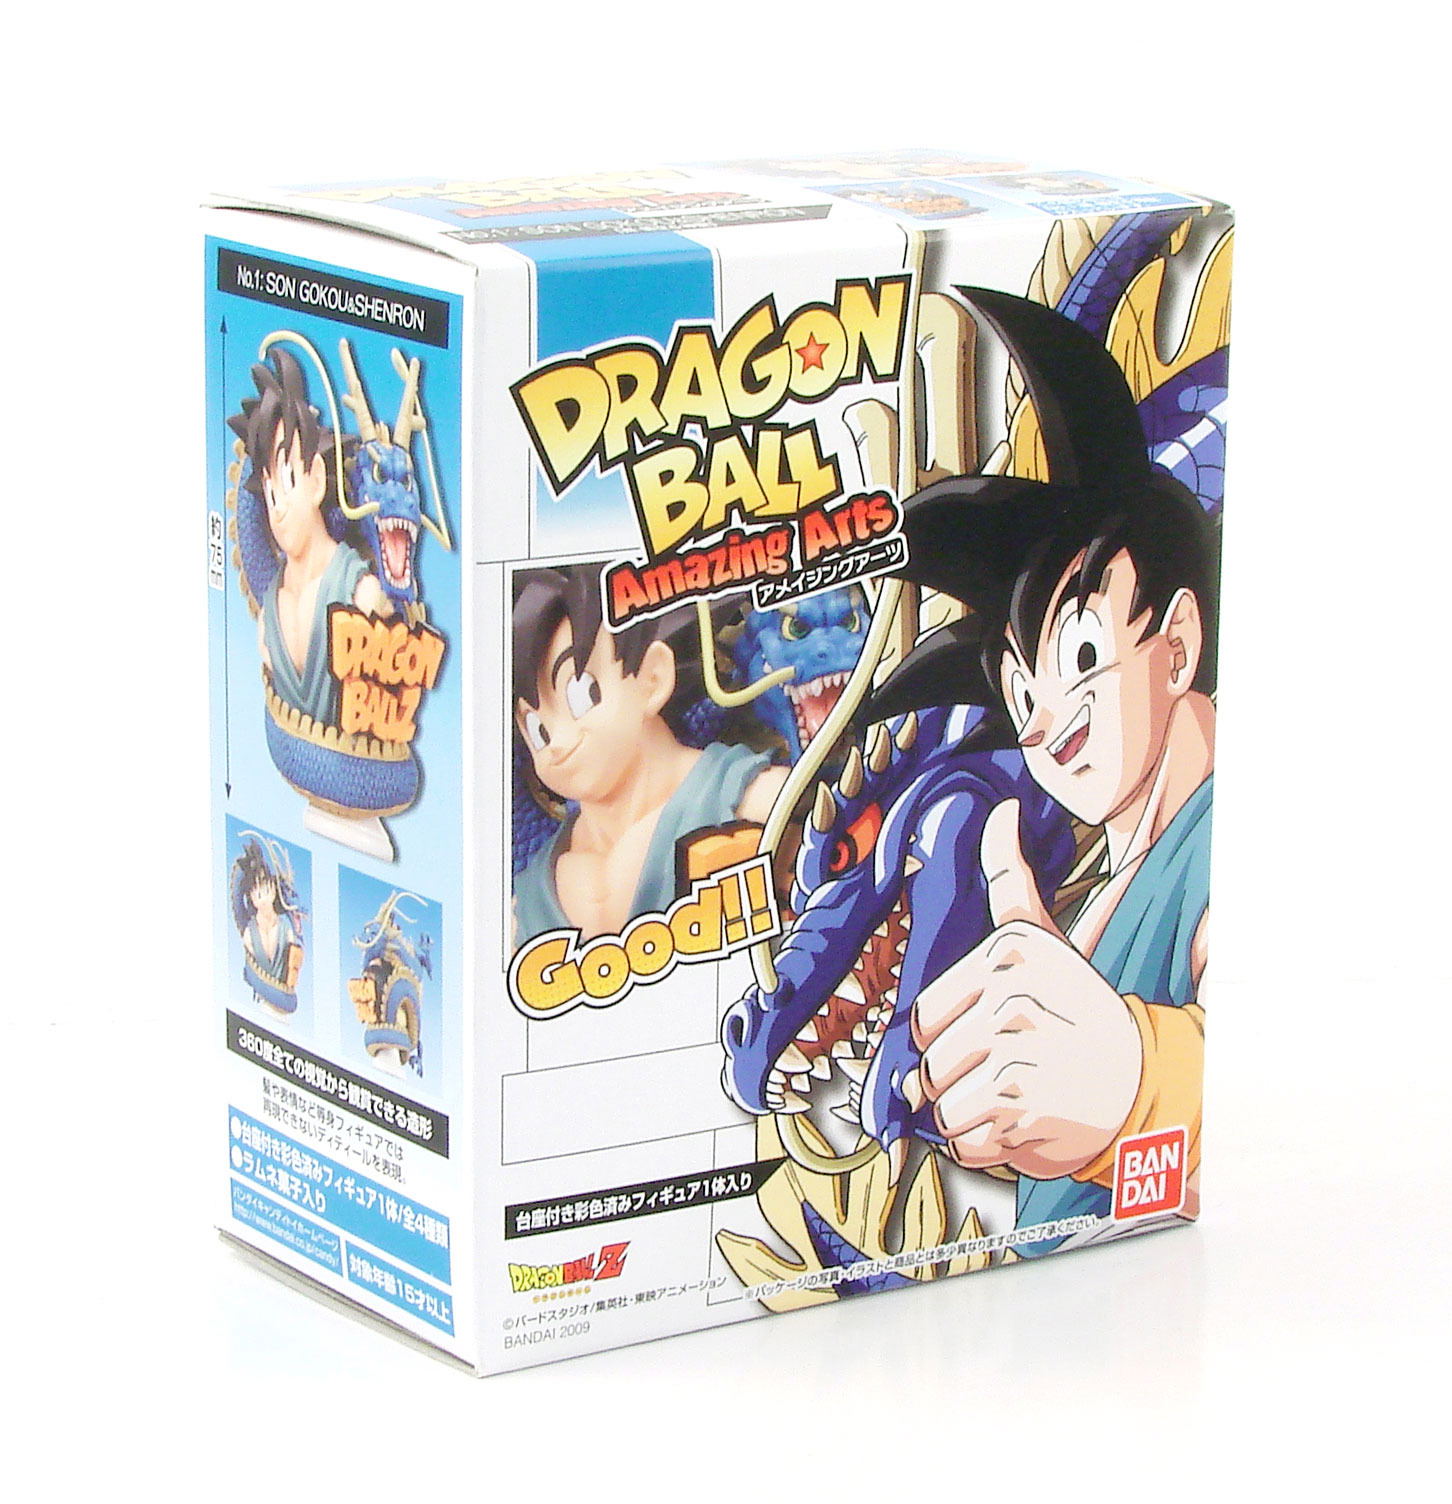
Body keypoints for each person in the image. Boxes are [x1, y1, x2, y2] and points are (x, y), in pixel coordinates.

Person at [871, 288, 1218, 1247]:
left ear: (1178, 642)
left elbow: (1257, 1096)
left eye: (1080, 656)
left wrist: (1137, 1082)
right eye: (1025, 696)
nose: (1049, 722)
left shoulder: (1214, 843)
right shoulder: (1100, 891)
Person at [513, 564, 788, 942]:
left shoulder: (760, 802)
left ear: (653, 677)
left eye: (583, 695)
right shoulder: (527, 900)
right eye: (537, 729)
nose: (557, 741)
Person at [228, 348, 392, 725]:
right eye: (271, 493)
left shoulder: (361, 593)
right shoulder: (271, 612)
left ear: (316, 479)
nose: (279, 508)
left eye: (288, 482)